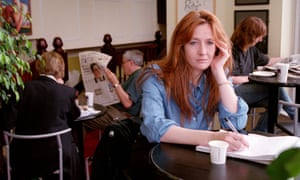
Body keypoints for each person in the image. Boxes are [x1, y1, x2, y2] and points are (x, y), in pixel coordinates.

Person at [139, 10, 249, 152]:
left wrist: (219, 73)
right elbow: (153, 127)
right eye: (193, 43)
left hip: (200, 157)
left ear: (218, 46)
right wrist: (212, 138)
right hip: (162, 159)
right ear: (181, 46)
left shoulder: (217, 74)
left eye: (210, 42)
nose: (202, 51)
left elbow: (235, 123)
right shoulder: (155, 76)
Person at [5, 51, 83, 180]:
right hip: (55, 157)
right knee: (70, 143)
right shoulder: (66, 92)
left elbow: (7, 122)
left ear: (38, 66)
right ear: (60, 70)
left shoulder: (20, 89)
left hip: (22, 157)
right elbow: (75, 117)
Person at [230, 16, 295, 132]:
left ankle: (259, 132)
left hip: (247, 90)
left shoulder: (251, 49)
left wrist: (287, 59)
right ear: (250, 35)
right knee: (276, 89)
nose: (260, 40)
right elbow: (231, 79)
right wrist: (253, 77)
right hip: (232, 91)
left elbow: (268, 61)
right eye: (259, 36)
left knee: (275, 101)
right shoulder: (231, 50)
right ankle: (295, 115)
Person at [83, 49, 144, 130]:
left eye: (123, 63)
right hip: (114, 108)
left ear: (131, 63)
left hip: (123, 115)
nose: (122, 65)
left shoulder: (138, 76)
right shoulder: (135, 75)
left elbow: (127, 103)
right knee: (85, 101)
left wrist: (115, 82)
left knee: (83, 119)